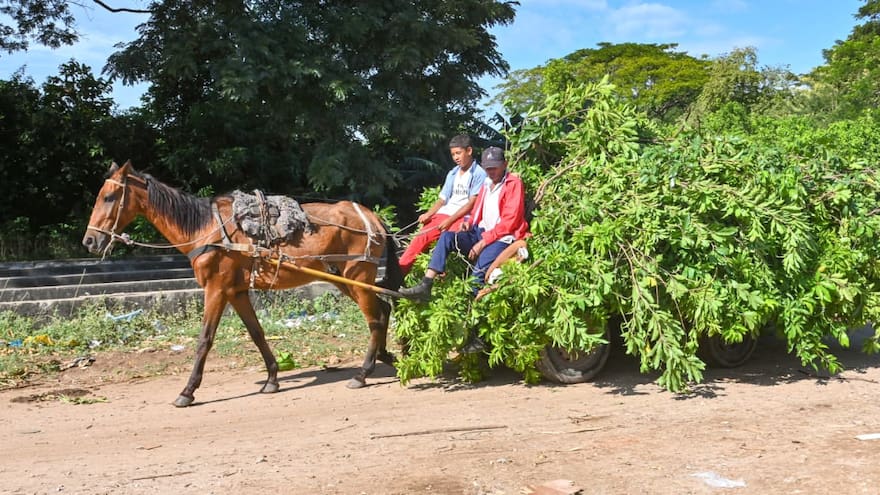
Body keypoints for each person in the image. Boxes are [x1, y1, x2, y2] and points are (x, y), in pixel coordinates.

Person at [398, 146, 530, 302]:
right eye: (487, 168)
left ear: (505, 164)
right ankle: (426, 284)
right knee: (447, 237)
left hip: (501, 239)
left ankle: (474, 314)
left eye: (494, 167)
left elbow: (510, 221)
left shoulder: (513, 184)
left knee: (476, 279)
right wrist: (468, 223)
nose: (491, 171)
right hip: (480, 232)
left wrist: (483, 242)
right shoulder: (487, 183)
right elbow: (477, 210)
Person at [397, 134, 487, 275]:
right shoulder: (453, 173)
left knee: (447, 239)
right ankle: (400, 271)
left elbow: (472, 204)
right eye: (453, 154)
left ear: (469, 151)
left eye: (458, 153)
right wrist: (428, 214)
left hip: (463, 217)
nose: (456, 157)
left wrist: (449, 220)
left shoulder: (479, 173)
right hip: (445, 213)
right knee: (421, 237)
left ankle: (438, 274)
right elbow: (442, 200)